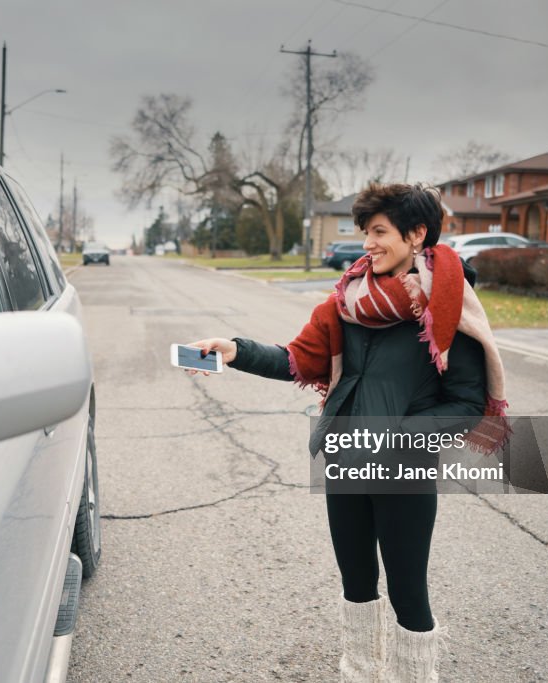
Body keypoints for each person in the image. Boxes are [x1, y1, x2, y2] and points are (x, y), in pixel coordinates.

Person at [185, 182, 508, 682]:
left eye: (379, 232)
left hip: (403, 470)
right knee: (356, 581)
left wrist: (396, 436)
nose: (368, 244)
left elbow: (465, 405)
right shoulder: (349, 300)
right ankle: (359, 672)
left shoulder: (446, 309)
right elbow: (297, 358)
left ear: (417, 233)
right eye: (365, 233)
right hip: (345, 460)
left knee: (407, 590)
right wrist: (234, 350)